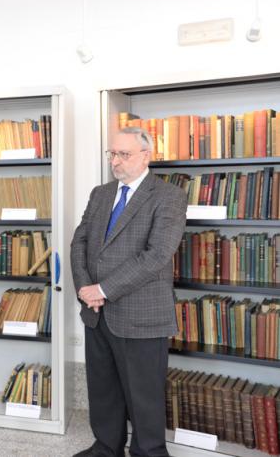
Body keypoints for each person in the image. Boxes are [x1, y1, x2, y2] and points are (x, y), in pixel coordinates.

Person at [70, 127, 188, 457]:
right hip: (96, 313)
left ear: (146, 156)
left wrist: (104, 289)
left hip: (141, 316)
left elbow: (156, 255)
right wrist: (84, 289)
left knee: (143, 396)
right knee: (103, 390)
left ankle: (148, 452)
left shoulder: (168, 196)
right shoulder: (100, 194)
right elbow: (78, 242)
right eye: (112, 154)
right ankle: (107, 447)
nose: (116, 161)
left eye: (124, 154)